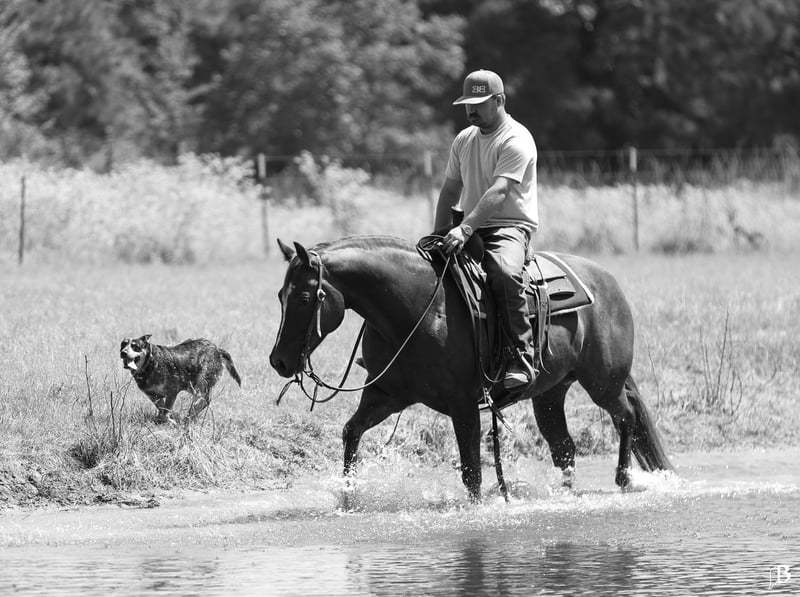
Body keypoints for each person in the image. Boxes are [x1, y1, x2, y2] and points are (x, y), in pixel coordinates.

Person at [435, 69, 538, 389]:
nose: (471, 110)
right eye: (467, 103)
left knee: (504, 273)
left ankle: (520, 357)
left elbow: (500, 191)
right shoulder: (464, 139)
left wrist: (464, 230)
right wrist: (437, 234)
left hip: (508, 228)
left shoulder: (516, 139)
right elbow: (450, 191)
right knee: (419, 270)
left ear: (500, 100)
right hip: (466, 228)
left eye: (479, 103)